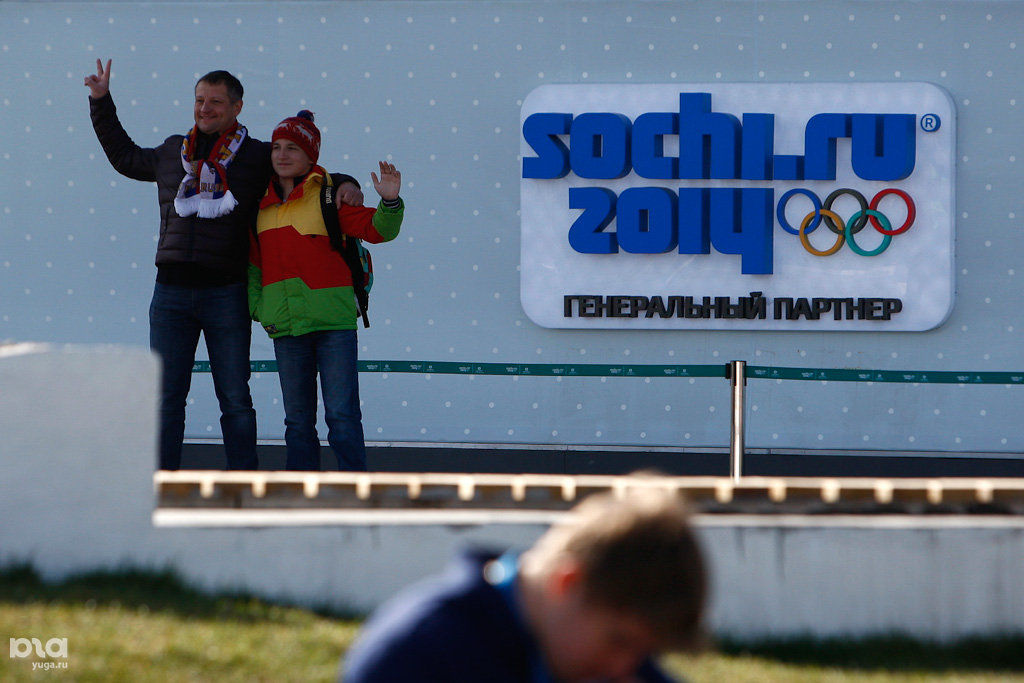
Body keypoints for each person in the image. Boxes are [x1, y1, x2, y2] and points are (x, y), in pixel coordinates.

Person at [84, 60, 362, 470]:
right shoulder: (172, 151)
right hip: (170, 295)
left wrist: (347, 183)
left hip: (226, 293)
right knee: (166, 398)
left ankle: (243, 485)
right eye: (199, 100)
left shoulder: (256, 156)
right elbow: (124, 156)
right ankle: (163, 486)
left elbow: (304, 168)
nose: (205, 108)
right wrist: (101, 100)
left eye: (215, 101)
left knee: (234, 398)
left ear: (236, 107)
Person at [342, 484, 707, 682]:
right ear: (566, 582)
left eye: (645, 651)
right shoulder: (418, 658)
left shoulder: (610, 665)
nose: (623, 668)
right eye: (619, 641)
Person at [248, 111, 404, 471]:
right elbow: (253, 266)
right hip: (286, 328)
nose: (282, 154)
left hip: (334, 326)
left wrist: (390, 203)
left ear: (310, 156)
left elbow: (377, 230)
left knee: (342, 417)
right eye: (276, 147)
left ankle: (354, 491)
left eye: (292, 148)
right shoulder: (260, 205)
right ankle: (302, 493)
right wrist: (259, 307)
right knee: (297, 422)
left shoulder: (330, 197)